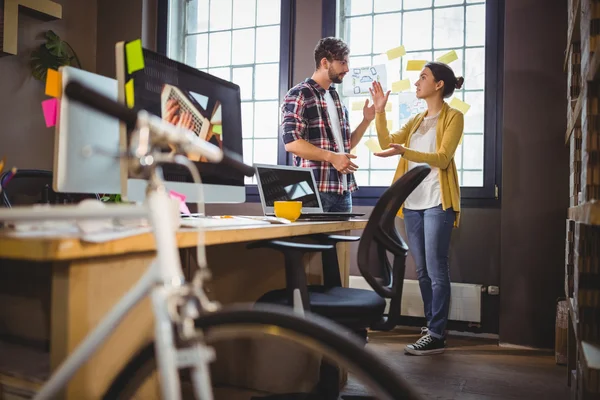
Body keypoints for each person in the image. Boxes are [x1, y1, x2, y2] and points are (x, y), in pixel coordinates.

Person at [370, 62, 464, 355]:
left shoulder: (453, 117)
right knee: (422, 270)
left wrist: (404, 151)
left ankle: (437, 333)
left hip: (438, 201)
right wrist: (380, 111)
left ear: (438, 85)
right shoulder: (416, 120)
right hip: (412, 203)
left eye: (423, 77)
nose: (416, 82)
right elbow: (387, 141)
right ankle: (431, 327)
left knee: (437, 270)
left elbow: (443, 157)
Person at [280, 37, 375, 212]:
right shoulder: (299, 94)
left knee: (340, 241)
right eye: (342, 62)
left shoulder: (335, 97)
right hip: (314, 189)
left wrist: (366, 120)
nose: (346, 69)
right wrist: (332, 157)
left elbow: (346, 145)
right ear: (325, 62)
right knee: (312, 241)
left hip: (343, 190)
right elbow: (292, 143)